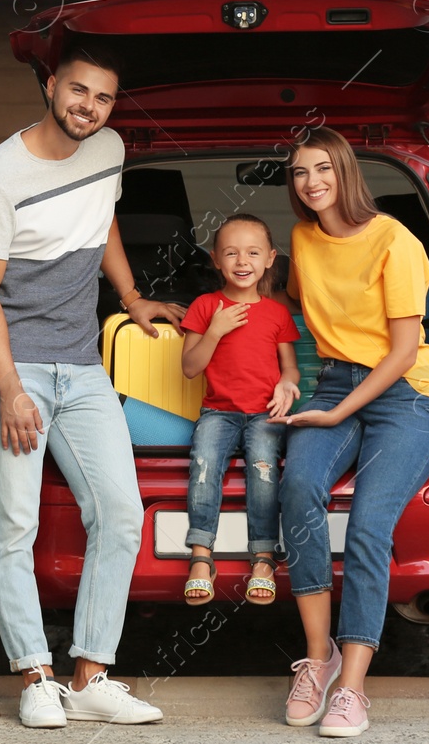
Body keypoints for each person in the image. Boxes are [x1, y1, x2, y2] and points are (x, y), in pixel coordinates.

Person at [0, 41, 183, 729]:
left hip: (84, 364)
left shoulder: (108, 149)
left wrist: (132, 294)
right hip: (13, 364)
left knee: (120, 512)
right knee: (13, 526)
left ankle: (90, 675)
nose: (89, 107)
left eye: (104, 97)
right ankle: (34, 674)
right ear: (52, 85)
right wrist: (9, 388)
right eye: (79, 91)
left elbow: (101, 219)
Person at [270, 127, 429, 738]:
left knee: (369, 526)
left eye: (323, 168)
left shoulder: (395, 240)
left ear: (346, 172)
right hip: (334, 384)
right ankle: (319, 659)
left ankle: (352, 689)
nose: (311, 182)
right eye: (298, 172)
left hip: (403, 395)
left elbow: (400, 352)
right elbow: (289, 307)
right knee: (297, 491)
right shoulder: (301, 238)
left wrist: (339, 413)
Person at [177, 213, 302, 607]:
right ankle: (201, 557)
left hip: (266, 413)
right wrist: (215, 329)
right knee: (203, 467)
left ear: (270, 258)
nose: (242, 261)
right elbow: (190, 367)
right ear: (215, 259)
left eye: (252, 252)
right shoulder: (204, 306)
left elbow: (291, 368)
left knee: (263, 472)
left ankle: (263, 559)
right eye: (231, 253)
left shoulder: (277, 313)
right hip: (219, 411)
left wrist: (287, 383)